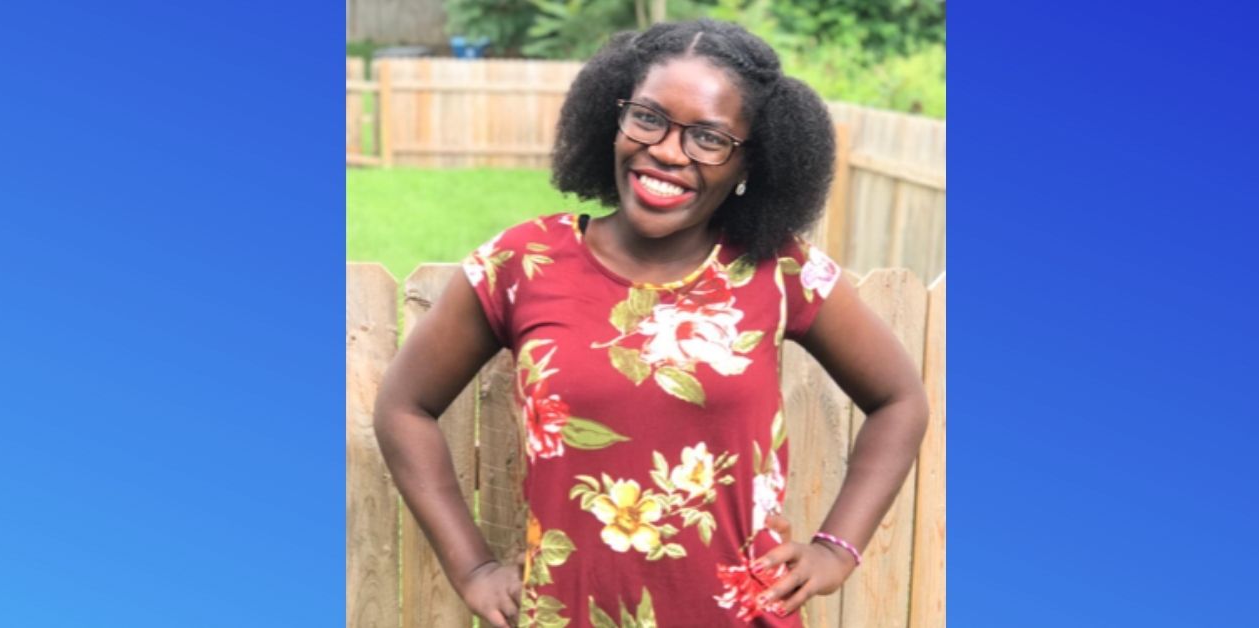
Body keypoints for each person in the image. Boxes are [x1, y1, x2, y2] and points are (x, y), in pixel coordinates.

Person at [373, 19, 928, 628]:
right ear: (612, 121)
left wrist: (835, 549)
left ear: (751, 161)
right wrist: (473, 569)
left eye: (709, 139)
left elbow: (899, 399)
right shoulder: (522, 264)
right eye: (647, 118)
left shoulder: (779, 271)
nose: (666, 151)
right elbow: (404, 406)